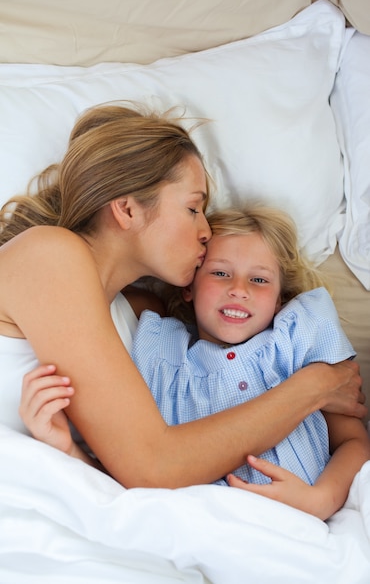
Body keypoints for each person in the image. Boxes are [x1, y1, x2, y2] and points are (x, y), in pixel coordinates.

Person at [2, 103, 365, 492]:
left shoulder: (142, 317)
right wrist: (313, 387)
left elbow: (138, 472)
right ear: (126, 209)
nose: (206, 230)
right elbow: (156, 466)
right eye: (193, 207)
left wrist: (72, 452)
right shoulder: (47, 253)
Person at [21, 205, 370, 519]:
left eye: (259, 280)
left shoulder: (298, 337)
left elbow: (354, 442)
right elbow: (133, 477)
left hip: (304, 527)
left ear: (280, 300)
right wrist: (66, 447)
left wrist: (321, 499)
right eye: (220, 273)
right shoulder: (157, 351)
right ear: (189, 286)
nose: (239, 289)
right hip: (198, 530)